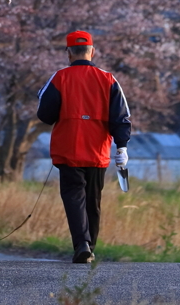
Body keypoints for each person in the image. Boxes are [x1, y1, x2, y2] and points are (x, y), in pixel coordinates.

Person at [37, 30, 131, 263]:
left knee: (73, 197)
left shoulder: (59, 78)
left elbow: (45, 115)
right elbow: (121, 116)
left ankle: (82, 244)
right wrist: (122, 147)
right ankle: (90, 248)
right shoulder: (108, 79)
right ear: (92, 51)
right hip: (97, 150)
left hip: (68, 149)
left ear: (68, 53)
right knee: (93, 200)